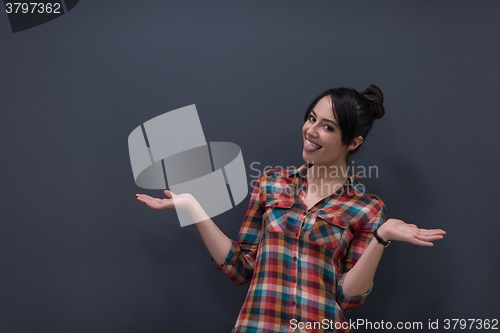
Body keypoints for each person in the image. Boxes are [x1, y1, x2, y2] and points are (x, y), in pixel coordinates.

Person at [135, 85, 446, 333]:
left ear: (352, 142)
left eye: (327, 127)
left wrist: (381, 236)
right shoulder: (270, 184)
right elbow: (241, 268)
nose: (311, 131)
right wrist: (192, 207)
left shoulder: (367, 208)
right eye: (311, 118)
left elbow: (347, 296)